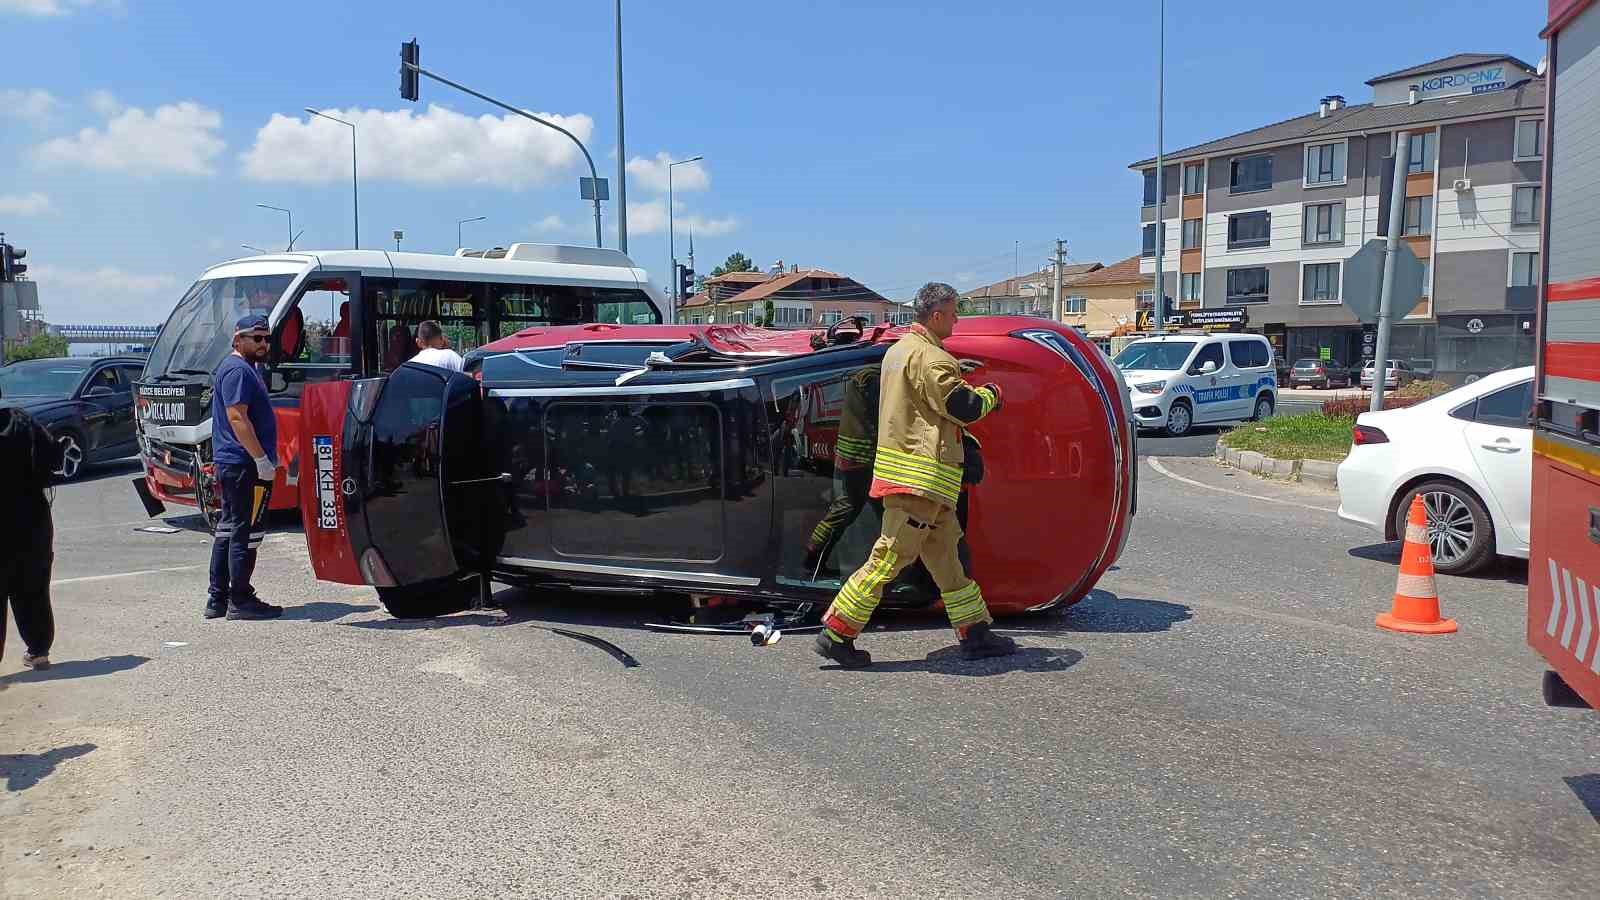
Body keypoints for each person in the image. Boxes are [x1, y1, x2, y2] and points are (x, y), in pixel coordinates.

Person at [813, 282, 1019, 668]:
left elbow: (922, 396)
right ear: (936, 314)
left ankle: (975, 632)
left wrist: (954, 369)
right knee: (890, 557)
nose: (958, 318)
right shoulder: (931, 358)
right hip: (921, 480)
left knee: (948, 560)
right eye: (954, 311)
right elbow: (965, 407)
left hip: (917, 480)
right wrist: (992, 392)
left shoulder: (900, 351)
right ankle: (837, 633)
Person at [206, 314, 283, 621]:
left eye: (266, 338)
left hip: (236, 462)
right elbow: (238, 417)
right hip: (242, 463)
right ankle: (240, 598)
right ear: (238, 340)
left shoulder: (244, 369)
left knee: (229, 527)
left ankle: (218, 598)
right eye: (257, 338)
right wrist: (260, 459)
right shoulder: (238, 370)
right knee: (244, 531)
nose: (264, 343)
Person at [0, 403, 62, 670]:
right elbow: (53, 458)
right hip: (30, 519)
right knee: (33, 586)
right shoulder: (21, 421)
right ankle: (38, 651)